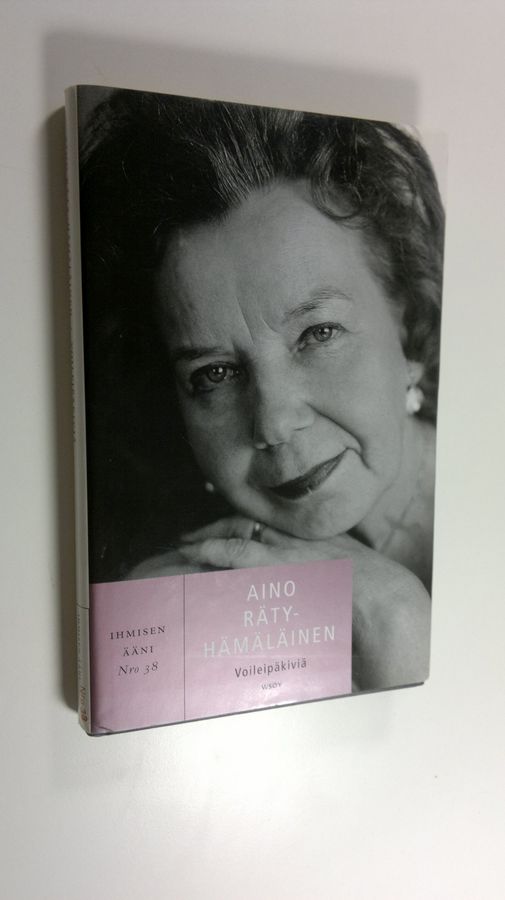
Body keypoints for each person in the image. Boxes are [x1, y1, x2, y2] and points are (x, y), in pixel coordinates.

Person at [80, 89, 444, 690]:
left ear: (405, 320)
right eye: (214, 374)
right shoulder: (170, 602)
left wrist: (398, 622)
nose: (272, 422)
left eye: (318, 333)